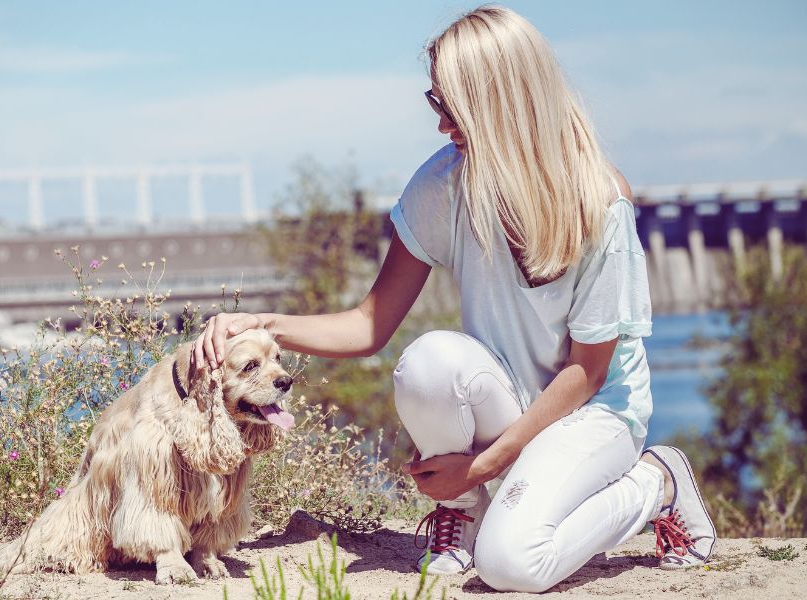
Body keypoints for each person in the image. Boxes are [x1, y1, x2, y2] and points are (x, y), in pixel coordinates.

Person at [193, 5, 716, 593]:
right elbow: (369, 326)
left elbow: (587, 372)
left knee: (512, 564)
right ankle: (462, 513)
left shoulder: (598, 199)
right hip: (507, 400)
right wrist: (261, 323)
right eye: (435, 101)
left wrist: (485, 464)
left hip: (594, 413)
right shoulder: (443, 185)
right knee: (428, 364)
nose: (442, 124)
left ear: (506, 102)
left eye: (452, 106)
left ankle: (656, 482)